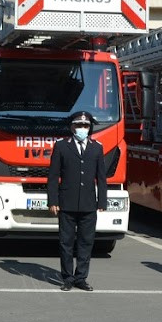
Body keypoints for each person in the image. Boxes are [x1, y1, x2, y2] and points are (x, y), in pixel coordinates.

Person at [48, 110, 108, 291]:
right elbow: (53, 176)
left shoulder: (97, 147)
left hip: (88, 204)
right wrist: (52, 201)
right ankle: (67, 278)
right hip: (67, 203)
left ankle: (81, 278)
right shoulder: (61, 146)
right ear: (72, 127)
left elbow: (101, 177)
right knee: (66, 242)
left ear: (90, 128)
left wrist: (102, 201)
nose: (82, 128)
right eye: (79, 125)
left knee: (86, 242)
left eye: (85, 125)